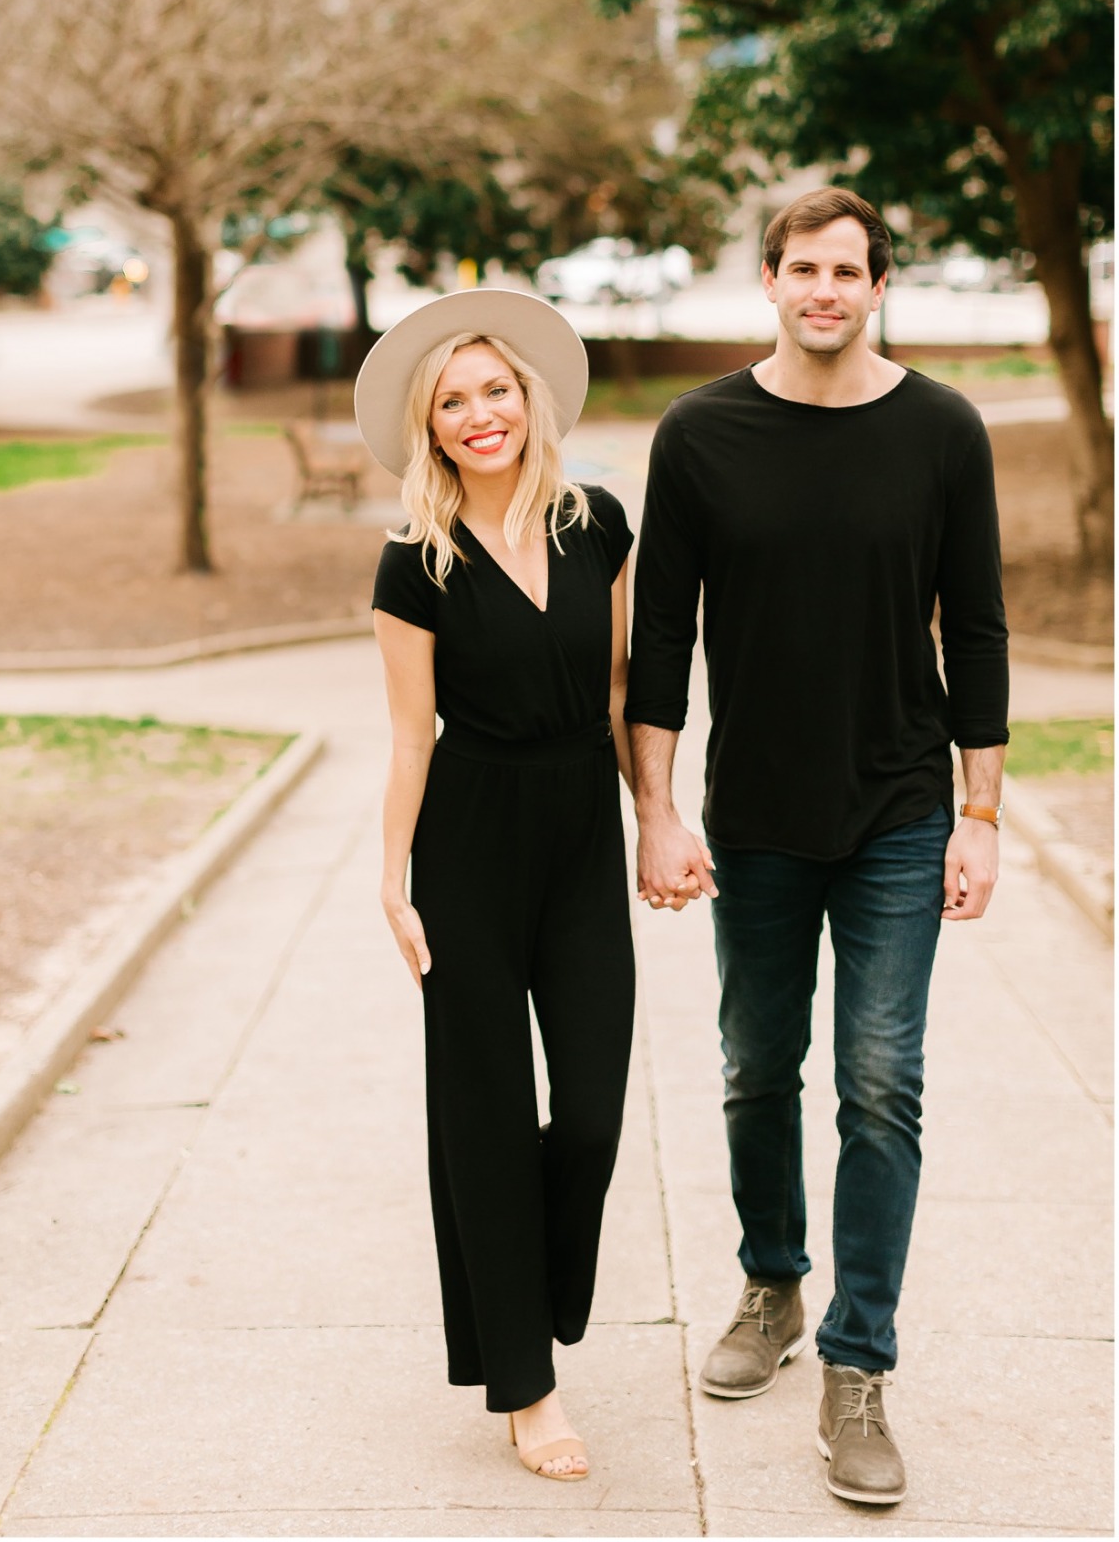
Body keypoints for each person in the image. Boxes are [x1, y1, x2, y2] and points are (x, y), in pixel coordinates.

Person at [625, 188, 1009, 1507]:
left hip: (901, 810)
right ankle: (773, 1284)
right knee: (754, 1069)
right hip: (760, 817)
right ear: (771, 282)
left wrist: (984, 811)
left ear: (880, 284)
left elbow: (985, 627)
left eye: (848, 269)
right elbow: (660, 640)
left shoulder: (945, 433)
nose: (825, 290)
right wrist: (657, 809)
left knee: (881, 1083)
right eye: (803, 268)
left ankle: (859, 1366)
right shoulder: (701, 435)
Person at [357, 288, 637, 1482]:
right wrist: (390, 873)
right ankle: (526, 1384)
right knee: (480, 1113)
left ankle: (526, 1290)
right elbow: (411, 736)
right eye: (454, 400)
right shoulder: (411, 562)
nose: (481, 413)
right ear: (430, 426)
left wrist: (660, 816)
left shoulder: (598, 523)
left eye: (496, 390)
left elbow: (624, 697)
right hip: (466, 842)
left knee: (589, 1108)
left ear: (532, 399)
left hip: (580, 828)